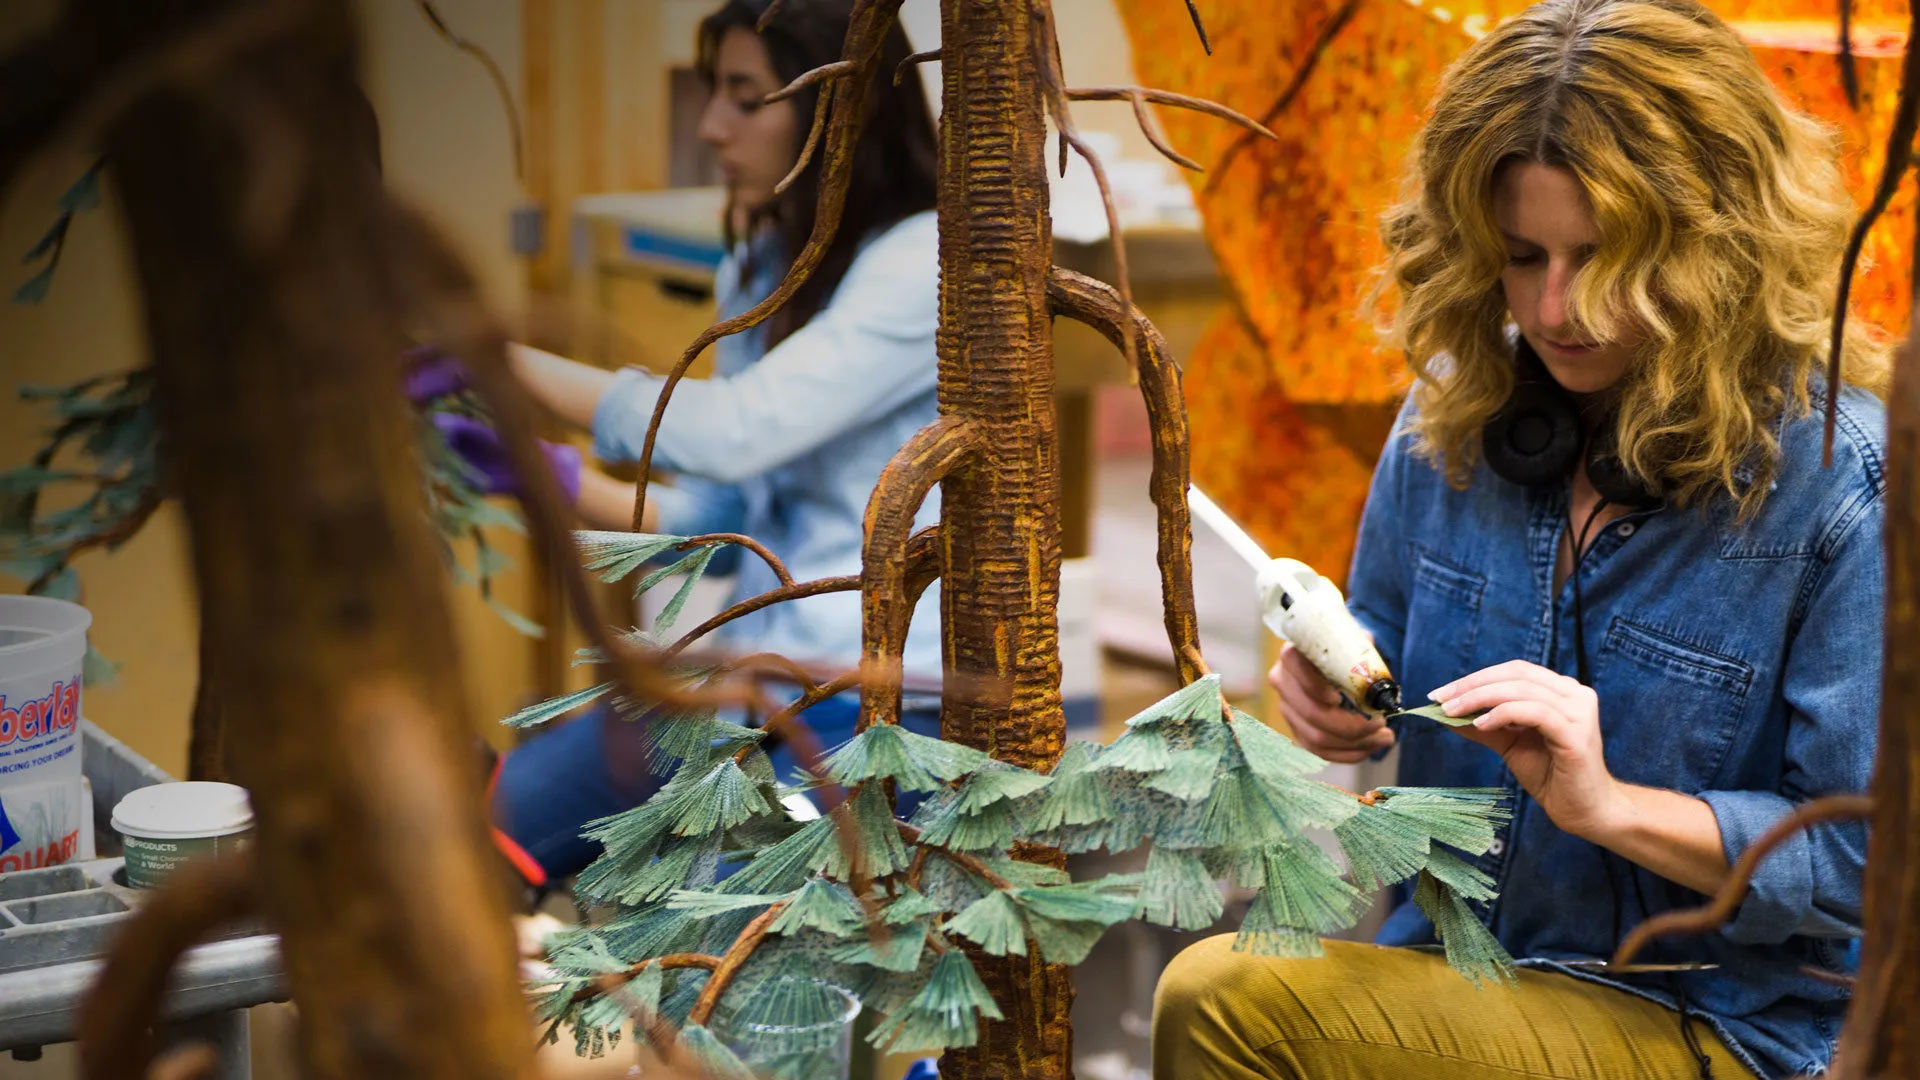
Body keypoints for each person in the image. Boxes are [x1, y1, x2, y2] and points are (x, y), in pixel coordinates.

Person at [1152, 0, 1886, 1077]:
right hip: (1457, 968)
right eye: (1520, 255)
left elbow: (1867, 866)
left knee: (1222, 998)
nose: (1554, 307)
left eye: (1602, 256)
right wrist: (1333, 705)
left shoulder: (1842, 481)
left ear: (1716, 245)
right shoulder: (1452, 408)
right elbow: (1386, 648)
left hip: (1729, 1027)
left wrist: (1614, 809)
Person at [472, 0, 945, 886]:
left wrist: (495, 358)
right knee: (492, 824)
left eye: (744, 96)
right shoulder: (764, 267)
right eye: (714, 93)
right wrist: (547, 474)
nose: (711, 127)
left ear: (840, 114)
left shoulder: (925, 260)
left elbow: (735, 433)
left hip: (889, 706)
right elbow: (720, 514)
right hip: (754, 683)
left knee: (724, 918)